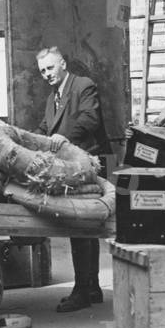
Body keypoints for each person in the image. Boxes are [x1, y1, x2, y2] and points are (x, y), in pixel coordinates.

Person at [35, 47, 111, 313]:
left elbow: (89, 119)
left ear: (63, 64)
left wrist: (64, 138)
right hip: (72, 165)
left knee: (80, 226)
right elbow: (46, 129)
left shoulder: (83, 86)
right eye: (42, 71)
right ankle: (92, 287)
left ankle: (82, 291)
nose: (47, 74)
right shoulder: (52, 98)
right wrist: (27, 139)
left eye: (50, 68)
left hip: (89, 163)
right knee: (84, 229)